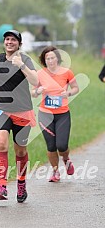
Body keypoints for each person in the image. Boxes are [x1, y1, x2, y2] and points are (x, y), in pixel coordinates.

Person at [0, 30, 38, 202]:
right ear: (4, 42)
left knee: (20, 150)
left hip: (22, 110)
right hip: (1, 108)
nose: (9, 42)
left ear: (19, 44)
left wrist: (21, 65)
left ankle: (21, 183)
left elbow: (35, 81)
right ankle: (2, 186)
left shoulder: (25, 59)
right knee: (2, 143)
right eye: (7, 39)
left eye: (13, 39)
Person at [32, 46, 79, 182]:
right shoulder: (40, 74)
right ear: (44, 60)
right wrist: (38, 91)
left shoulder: (67, 72)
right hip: (45, 114)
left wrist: (68, 93)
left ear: (57, 59)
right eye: (47, 58)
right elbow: (33, 93)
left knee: (62, 145)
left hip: (62, 114)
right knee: (51, 145)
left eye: (52, 58)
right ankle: (55, 172)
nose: (50, 60)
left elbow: (76, 88)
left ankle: (66, 159)